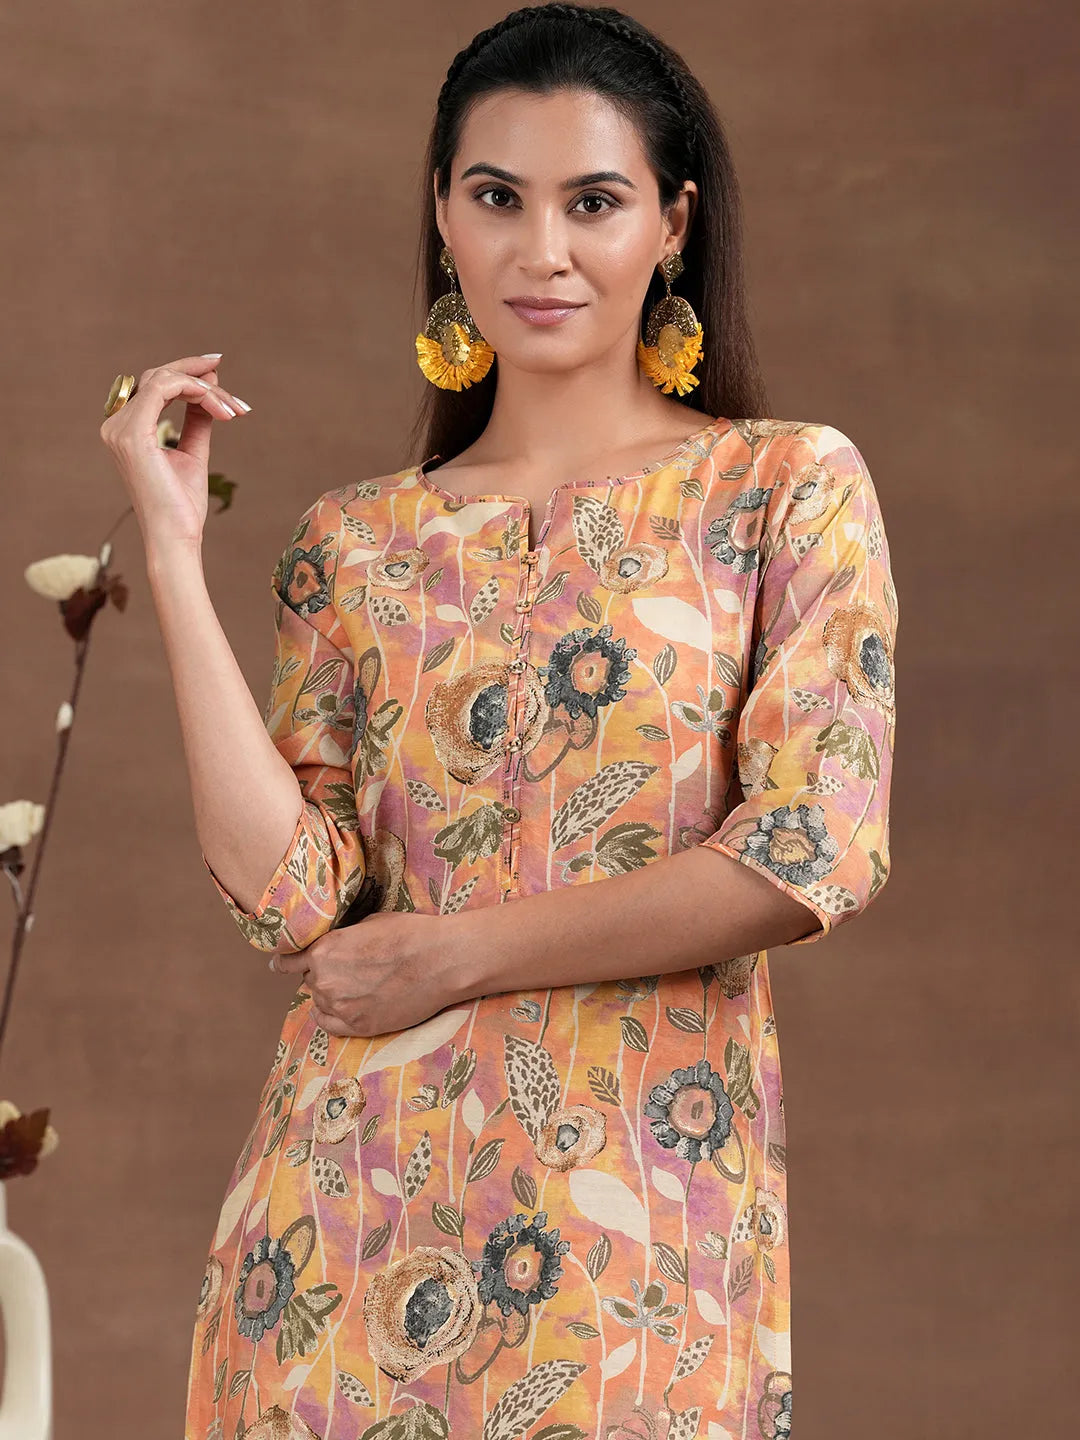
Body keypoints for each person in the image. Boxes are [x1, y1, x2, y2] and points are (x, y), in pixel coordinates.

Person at [100, 5, 898, 1437]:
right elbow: (293, 900)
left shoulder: (783, 488)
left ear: (672, 223)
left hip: (636, 1235)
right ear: (443, 217)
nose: (543, 250)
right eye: (497, 197)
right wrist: (170, 550)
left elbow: (811, 850)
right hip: (339, 1226)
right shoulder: (353, 542)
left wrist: (455, 954)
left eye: (593, 201)